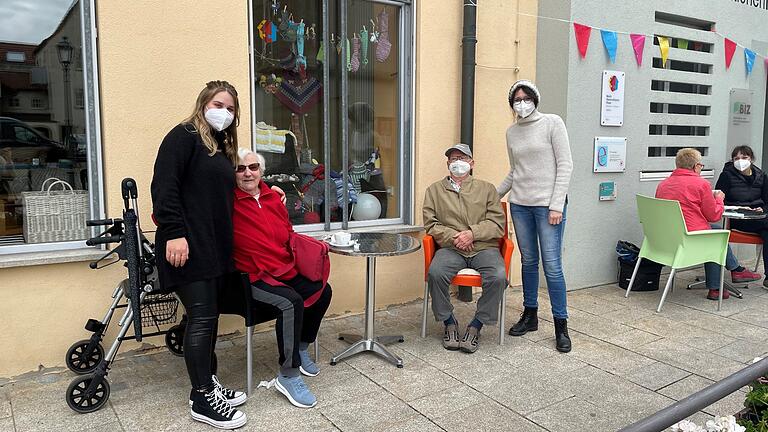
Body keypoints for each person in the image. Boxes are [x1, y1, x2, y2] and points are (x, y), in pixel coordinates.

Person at [151, 80, 247, 429]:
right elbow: (164, 187)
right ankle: (202, 397)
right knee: (203, 319)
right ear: (203, 104)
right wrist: (174, 233)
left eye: (231, 108)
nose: (224, 112)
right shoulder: (183, 136)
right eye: (219, 104)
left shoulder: (219, 147)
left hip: (213, 248)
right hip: (187, 247)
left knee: (205, 319)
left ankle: (208, 384)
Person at [232, 148, 332, 409]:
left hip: (283, 269)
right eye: (240, 169)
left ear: (261, 171)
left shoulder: (273, 197)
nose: (247, 173)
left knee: (323, 290)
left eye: (253, 167)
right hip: (252, 276)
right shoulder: (226, 202)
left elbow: (287, 233)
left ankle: (300, 346)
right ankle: (288, 374)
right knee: (291, 302)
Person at [497, 80, 573, 353]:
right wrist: (492, 196)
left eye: (525, 98)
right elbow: (515, 171)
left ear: (535, 99)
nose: (521, 103)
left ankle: (561, 325)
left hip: (548, 207)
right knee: (528, 261)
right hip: (520, 205)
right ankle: (530, 315)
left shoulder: (552, 123)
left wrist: (556, 206)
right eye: (516, 100)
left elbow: (565, 165)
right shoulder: (512, 132)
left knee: (552, 266)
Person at [423, 143, 507, 354]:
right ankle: (449, 322)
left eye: (462, 158)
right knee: (436, 272)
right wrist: (455, 237)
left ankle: (476, 325)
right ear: (447, 164)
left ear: (471, 163)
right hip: (451, 248)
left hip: (484, 248)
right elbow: (431, 224)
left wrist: (473, 233)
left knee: (498, 276)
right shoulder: (434, 190)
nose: (457, 163)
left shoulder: (487, 189)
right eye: (453, 159)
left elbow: (498, 224)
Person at [656, 148, 760, 300]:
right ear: (696, 166)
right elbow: (713, 215)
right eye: (701, 166)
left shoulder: (663, 184)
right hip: (689, 238)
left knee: (716, 230)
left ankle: (736, 270)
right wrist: (718, 199)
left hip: (668, 237)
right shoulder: (701, 184)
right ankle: (717, 287)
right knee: (717, 237)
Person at [716, 145, 768, 287]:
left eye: (744, 157)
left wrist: (761, 208)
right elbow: (718, 200)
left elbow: (766, 201)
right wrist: (738, 208)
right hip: (736, 218)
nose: (740, 161)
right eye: (736, 158)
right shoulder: (726, 175)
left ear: (751, 159)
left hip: (758, 217)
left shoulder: (761, 176)